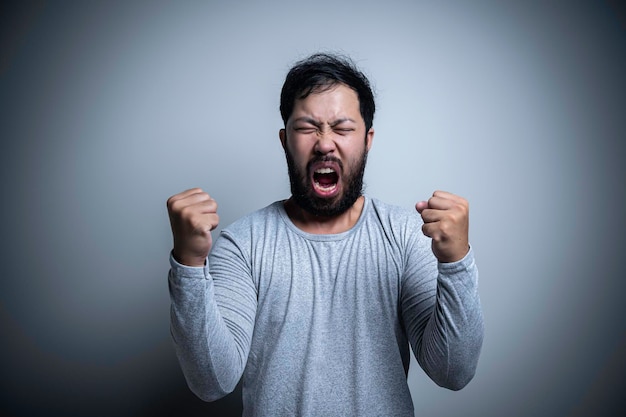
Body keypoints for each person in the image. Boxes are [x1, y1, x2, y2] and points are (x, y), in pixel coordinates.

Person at [166, 52, 484, 416]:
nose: (324, 143)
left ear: (367, 140)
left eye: (343, 128)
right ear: (286, 141)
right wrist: (189, 265)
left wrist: (456, 262)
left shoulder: (405, 235)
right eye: (307, 127)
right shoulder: (244, 244)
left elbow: (453, 371)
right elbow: (211, 382)